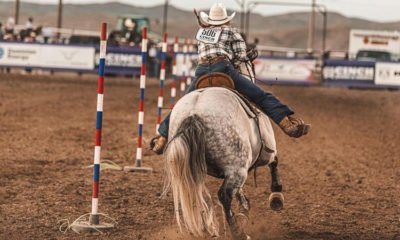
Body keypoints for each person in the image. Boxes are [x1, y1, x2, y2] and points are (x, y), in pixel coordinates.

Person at [151, 3, 310, 154]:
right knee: (261, 96)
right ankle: (287, 125)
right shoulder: (231, 31)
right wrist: (244, 57)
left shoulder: (201, 32)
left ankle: (163, 138)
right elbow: (240, 57)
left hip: (202, 72)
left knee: (181, 104)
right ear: (226, 19)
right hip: (223, 68)